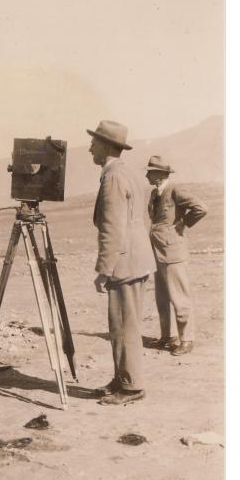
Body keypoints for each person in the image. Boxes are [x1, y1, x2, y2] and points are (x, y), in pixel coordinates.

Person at [87, 120, 156, 406]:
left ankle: (131, 387)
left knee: (124, 326)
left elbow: (112, 228)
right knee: (123, 324)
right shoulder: (128, 173)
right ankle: (122, 378)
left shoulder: (113, 177)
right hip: (136, 258)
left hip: (124, 262)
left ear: (105, 146)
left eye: (94, 142)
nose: (90, 147)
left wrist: (103, 269)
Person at [145, 155, 208, 356]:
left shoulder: (176, 191)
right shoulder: (155, 194)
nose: (146, 174)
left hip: (173, 251)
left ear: (160, 174)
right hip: (158, 252)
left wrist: (184, 223)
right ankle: (168, 336)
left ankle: (187, 339)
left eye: (150, 171)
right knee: (162, 297)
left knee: (179, 297)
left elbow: (201, 208)